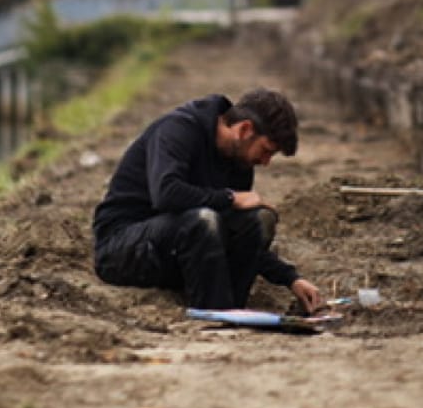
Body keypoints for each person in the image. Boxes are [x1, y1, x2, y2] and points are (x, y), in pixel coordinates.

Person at [93, 87, 321, 313]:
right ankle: (216, 312)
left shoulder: (239, 162)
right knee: (204, 219)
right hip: (125, 249)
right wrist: (230, 198)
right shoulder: (177, 129)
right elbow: (166, 193)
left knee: (259, 219)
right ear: (244, 129)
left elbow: (238, 235)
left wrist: (291, 278)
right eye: (266, 151)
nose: (265, 162)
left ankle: (232, 308)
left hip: (180, 253)